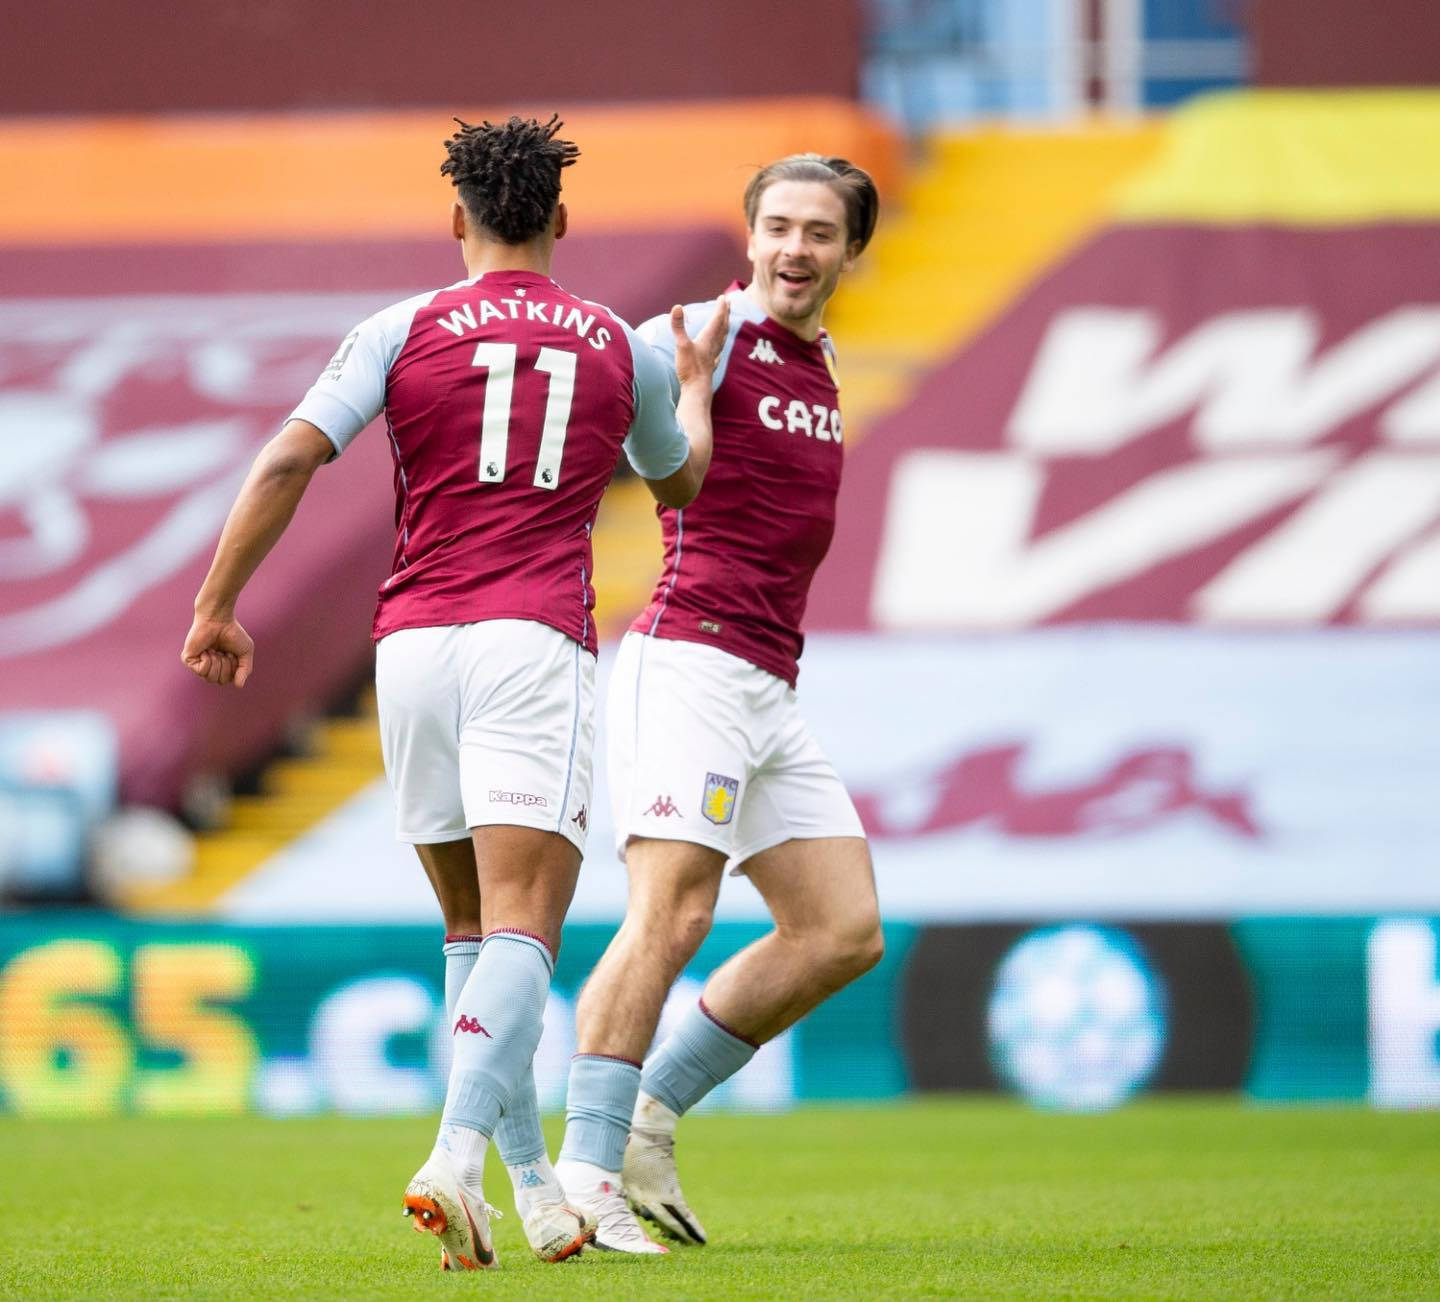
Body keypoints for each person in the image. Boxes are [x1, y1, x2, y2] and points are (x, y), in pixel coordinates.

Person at [180, 114, 727, 1271]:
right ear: (562, 220)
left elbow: (286, 459)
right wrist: (692, 392)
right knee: (527, 926)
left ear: (458, 219)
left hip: (413, 646)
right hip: (533, 645)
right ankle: (451, 1159)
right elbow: (678, 481)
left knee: (470, 930)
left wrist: (216, 607)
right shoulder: (614, 344)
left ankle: (532, 1192)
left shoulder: (399, 327)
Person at [553, 154, 884, 1252]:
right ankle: (586, 1174)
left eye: (820, 233)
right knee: (673, 913)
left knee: (840, 931)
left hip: (767, 682)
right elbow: (589, 429)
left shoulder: (821, 357)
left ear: (849, 250)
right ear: (750, 236)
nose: (796, 248)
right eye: (778, 226)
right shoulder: (693, 332)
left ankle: (649, 1117)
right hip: (688, 659)